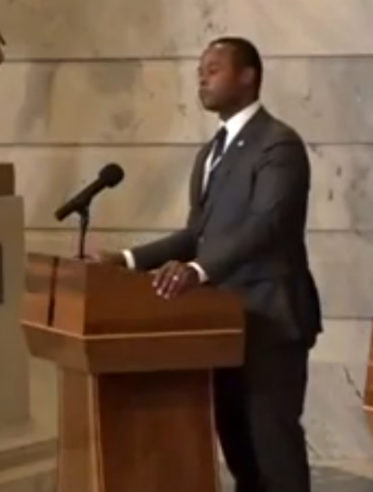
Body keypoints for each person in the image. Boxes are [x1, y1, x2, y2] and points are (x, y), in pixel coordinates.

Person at [97, 37, 321, 492]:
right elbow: (195, 235)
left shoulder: (278, 145)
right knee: (236, 442)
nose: (202, 76)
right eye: (201, 68)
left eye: (214, 68)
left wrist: (196, 272)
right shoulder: (210, 153)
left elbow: (267, 226)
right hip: (222, 321)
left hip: (272, 319)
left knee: (272, 443)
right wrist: (123, 260)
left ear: (248, 76)